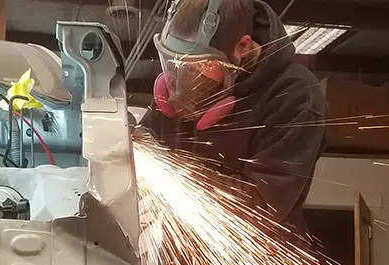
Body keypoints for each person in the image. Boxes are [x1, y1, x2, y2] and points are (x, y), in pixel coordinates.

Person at [139, 0, 328, 238]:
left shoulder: (296, 95)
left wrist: (179, 177)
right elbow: (149, 136)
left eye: (196, 66)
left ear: (242, 47)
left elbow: (262, 206)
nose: (181, 77)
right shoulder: (180, 80)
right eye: (173, 61)